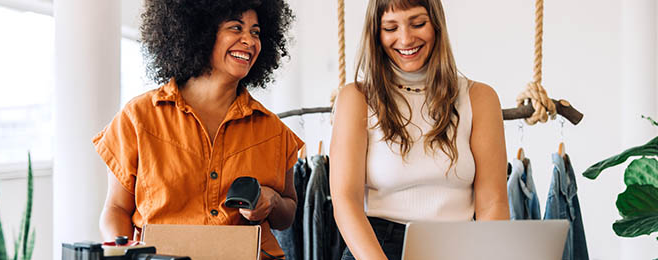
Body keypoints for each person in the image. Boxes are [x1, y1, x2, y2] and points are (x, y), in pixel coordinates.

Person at [92, 0, 299, 259]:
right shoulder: (138, 118)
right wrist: (125, 255)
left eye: (255, 32)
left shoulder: (274, 131)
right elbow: (116, 209)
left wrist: (273, 202)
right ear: (200, 30)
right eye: (236, 28)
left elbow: (287, 215)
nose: (249, 40)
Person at [329, 0, 510, 259]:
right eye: (390, 28)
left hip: (461, 246)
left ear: (436, 24)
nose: (405, 38)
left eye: (418, 24)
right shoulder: (356, 98)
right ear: (376, 34)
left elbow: (494, 204)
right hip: (377, 248)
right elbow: (346, 202)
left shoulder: (479, 97)